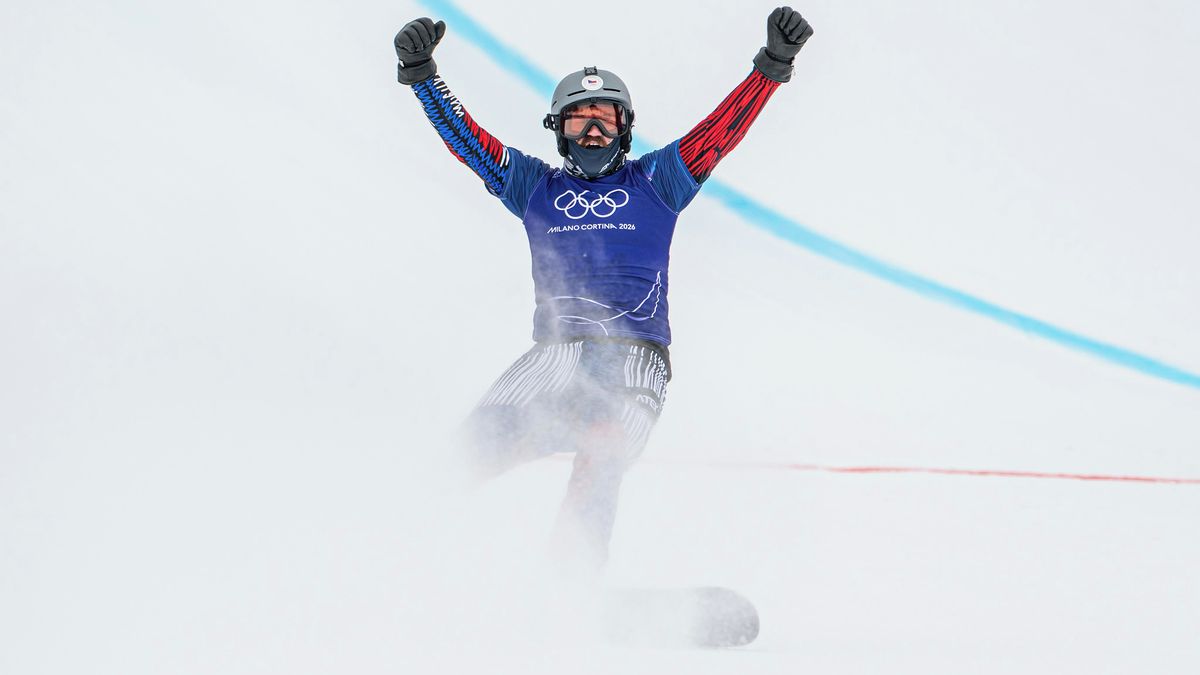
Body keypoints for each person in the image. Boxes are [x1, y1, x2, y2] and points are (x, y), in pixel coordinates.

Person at [394, 8, 813, 575]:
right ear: (558, 131)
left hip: (634, 357)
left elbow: (720, 133)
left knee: (606, 441)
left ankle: (571, 580)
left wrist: (771, 66)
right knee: (471, 449)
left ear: (626, 128)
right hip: (554, 355)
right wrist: (422, 74)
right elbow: (471, 144)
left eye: (605, 119)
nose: (592, 130)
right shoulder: (533, 186)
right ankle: (389, 548)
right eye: (578, 120)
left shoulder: (658, 182)